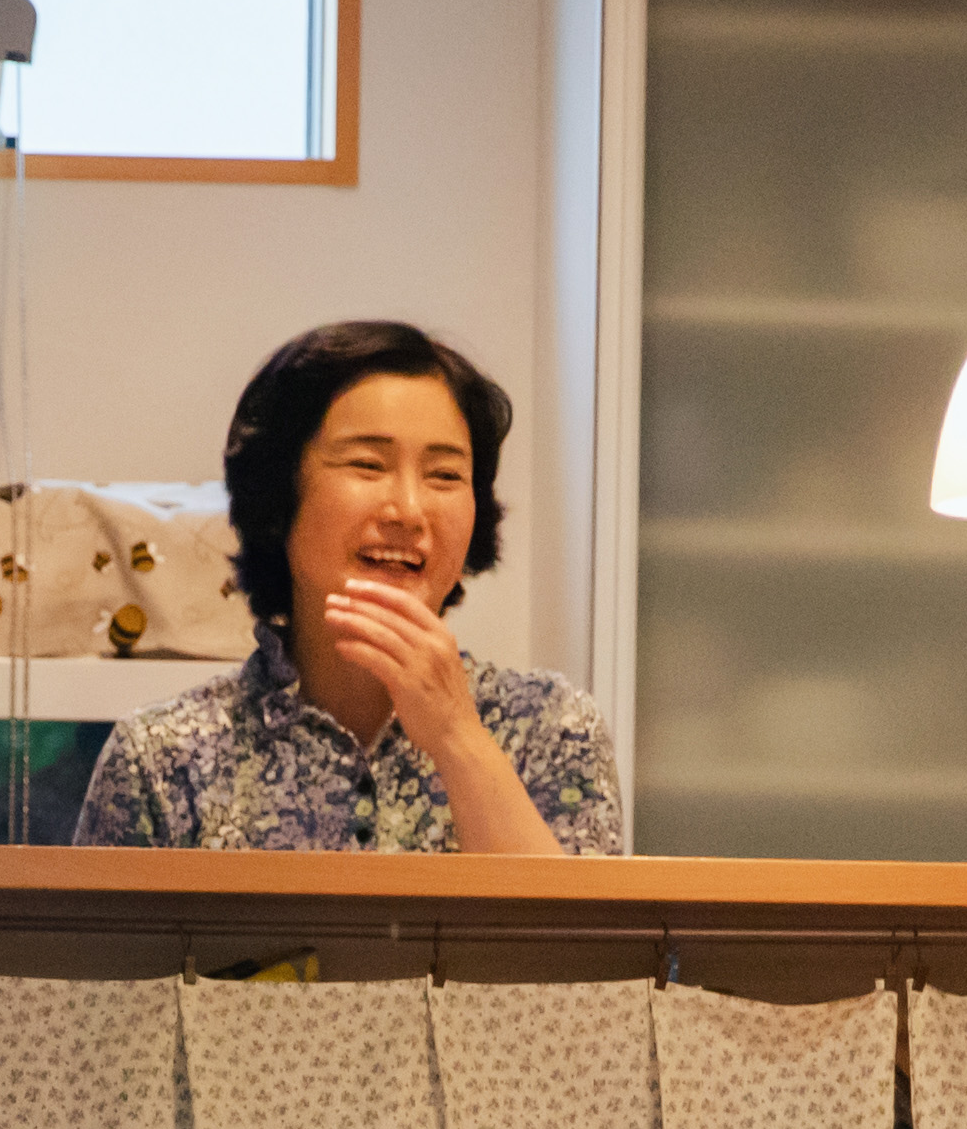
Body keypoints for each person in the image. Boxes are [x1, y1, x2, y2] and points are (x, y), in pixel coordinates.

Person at [73, 319, 623, 855]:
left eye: (445, 476)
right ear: (277, 498)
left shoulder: (552, 729)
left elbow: (585, 945)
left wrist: (458, 737)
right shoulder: (163, 759)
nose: (408, 510)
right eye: (367, 464)